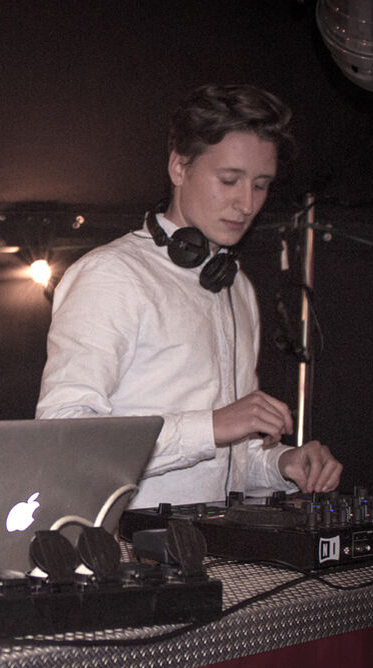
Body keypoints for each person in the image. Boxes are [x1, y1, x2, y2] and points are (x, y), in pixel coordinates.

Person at [36, 84, 341, 509]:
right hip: (125, 553)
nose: (246, 203)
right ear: (179, 167)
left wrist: (282, 464)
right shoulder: (113, 276)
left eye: (261, 184)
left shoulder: (237, 286)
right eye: (230, 179)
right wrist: (211, 427)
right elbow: (63, 439)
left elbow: (226, 459)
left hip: (215, 550)